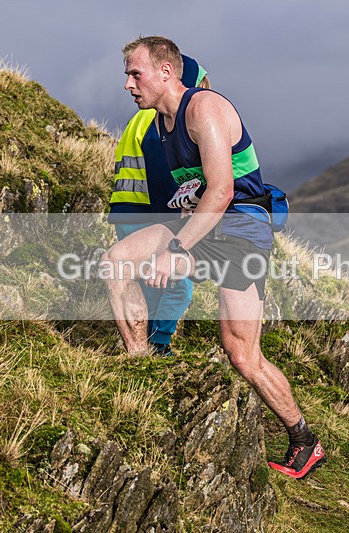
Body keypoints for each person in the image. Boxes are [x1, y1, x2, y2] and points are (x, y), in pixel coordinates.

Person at [103, 35, 326, 479]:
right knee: (118, 260)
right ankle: (140, 366)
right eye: (127, 74)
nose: (128, 84)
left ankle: (304, 439)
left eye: (135, 73)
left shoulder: (204, 109)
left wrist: (174, 249)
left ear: (166, 72)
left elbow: (222, 190)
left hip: (242, 231)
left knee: (242, 355)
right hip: (202, 227)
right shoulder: (159, 124)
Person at [107, 55, 209, 356]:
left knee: (146, 281)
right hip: (148, 214)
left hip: (127, 210)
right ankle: (157, 345)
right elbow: (162, 174)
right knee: (178, 284)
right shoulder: (158, 120)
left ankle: (142, 345)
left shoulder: (141, 118)